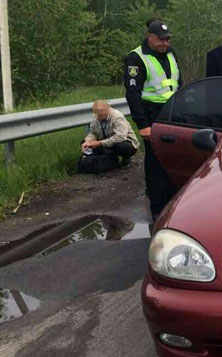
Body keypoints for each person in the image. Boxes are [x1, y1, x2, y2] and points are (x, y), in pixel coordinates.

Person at [124, 20, 182, 220]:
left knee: (173, 159)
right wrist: (143, 124)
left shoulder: (171, 54)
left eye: (167, 39)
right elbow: (132, 94)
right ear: (149, 36)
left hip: (173, 113)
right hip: (151, 114)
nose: (164, 43)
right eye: (160, 39)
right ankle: (157, 208)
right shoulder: (137, 58)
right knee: (155, 162)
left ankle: (173, 204)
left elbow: (177, 83)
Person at [82, 100, 139, 168]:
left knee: (121, 146)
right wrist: (88, 141)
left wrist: (100, 143)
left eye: (101, 112)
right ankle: (108, 160)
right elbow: (93, 132)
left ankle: (126, 159)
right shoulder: (96, 117)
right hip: (106, 141)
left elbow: (120, 137)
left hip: (124, 142)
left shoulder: (117, 117)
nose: (99, 115)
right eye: (97, 113)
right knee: (86, 143)